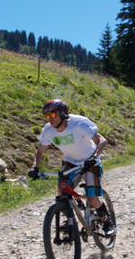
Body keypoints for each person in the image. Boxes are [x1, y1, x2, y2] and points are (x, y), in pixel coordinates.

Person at [28, 99, 114, 236]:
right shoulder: (48, 131)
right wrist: (34, 168)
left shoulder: (79, 124)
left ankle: (107, 221)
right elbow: (39, 152)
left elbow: (102, 141)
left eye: (52, 115)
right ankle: (68, 219)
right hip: (71, 161)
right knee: (62, 190)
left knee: (92, 199)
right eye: (47, 116)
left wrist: (94, 157)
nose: (50, 119)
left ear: (62, 114)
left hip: (89, 160)